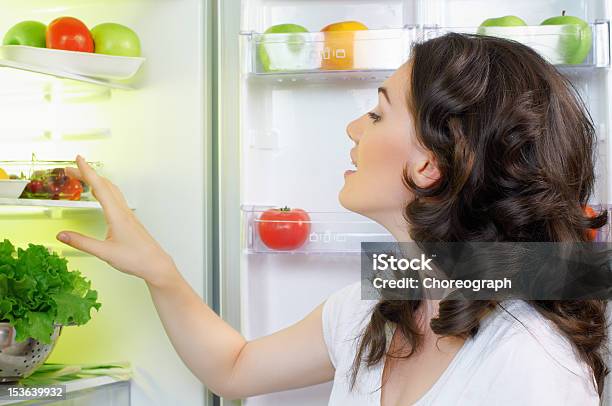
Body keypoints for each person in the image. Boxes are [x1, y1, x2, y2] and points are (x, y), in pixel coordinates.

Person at [56, 32, 608, 405]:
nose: (353, 128)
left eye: (377, 112)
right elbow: (235, 368)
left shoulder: (532, 365)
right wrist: (159, 269)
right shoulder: (374, 306)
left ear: (432, 162)